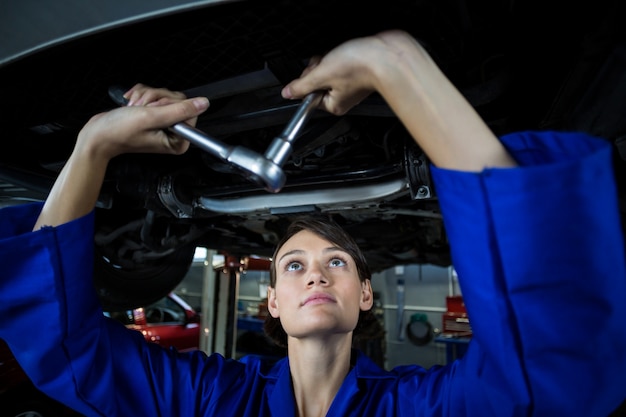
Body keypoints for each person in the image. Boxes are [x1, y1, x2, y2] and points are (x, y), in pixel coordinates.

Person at [0, 29, 625, 417]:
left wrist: (397, 63)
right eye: (294, 265)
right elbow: (66, 355)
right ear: (271, 301)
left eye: (336, 263)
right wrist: (90, 147)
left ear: (366, 292)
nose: (315, 274)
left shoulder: (421, 407)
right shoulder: (212, 399)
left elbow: (552, 376)